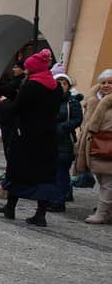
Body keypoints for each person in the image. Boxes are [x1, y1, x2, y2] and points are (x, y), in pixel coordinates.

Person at [0, 51, 64, 226]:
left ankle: (10, 207)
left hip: (27, 135)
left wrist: (4, 103)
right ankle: (40, 214)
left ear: (32, 69)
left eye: (27, 69)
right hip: (48, 136)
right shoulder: (56, 87)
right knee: (44, 175)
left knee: (18, 170)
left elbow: (18, 108)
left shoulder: (31, 86)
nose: (25, 71)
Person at [75, 69, 112, 224]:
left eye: (110, 83)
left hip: (108, 147)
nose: (106, 85)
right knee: (102, 180)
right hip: (94, 146)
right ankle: (107, 211)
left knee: (108, 183)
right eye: (103, 82)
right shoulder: (93, 100)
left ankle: (102, 213)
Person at [49, 72, 83, 213]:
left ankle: (59, 200)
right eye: (59, 82)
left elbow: (77, 119)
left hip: (64, 142)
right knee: (50, 171)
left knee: (61, 171)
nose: (61, 86)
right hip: (49, 140)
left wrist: (62, 127)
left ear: (69, 86)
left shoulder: (72, 102)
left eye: (64, 83)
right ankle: (50, 197)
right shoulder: (49, 100)